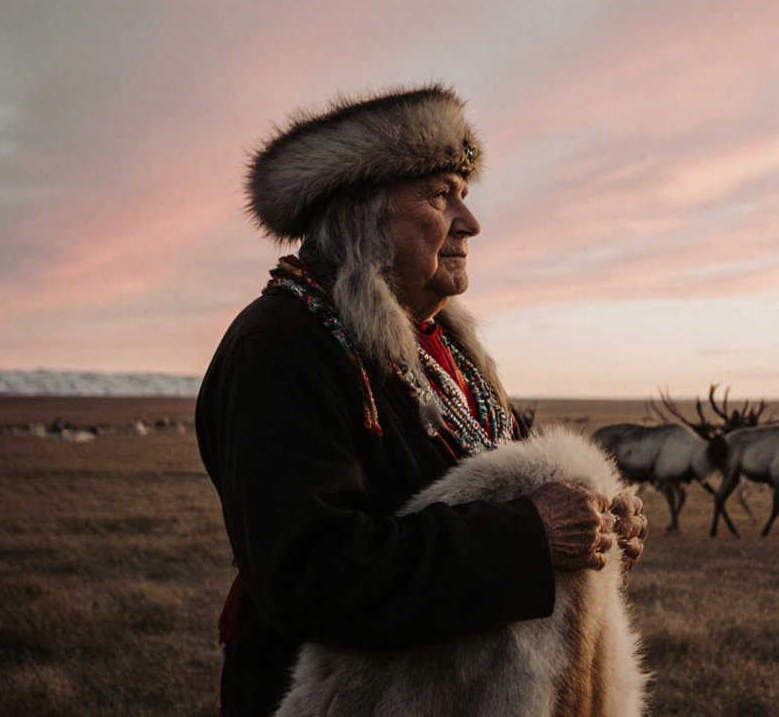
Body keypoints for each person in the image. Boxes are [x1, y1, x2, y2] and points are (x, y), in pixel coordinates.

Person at [195, 85, 647, 717]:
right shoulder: (279, 346)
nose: (470, 222)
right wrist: (531, 535)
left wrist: (597, 528)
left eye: (465, 196)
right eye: (441, 196)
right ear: (360, 212)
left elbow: (509, 485)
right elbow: (312, 573)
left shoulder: (450, 352)